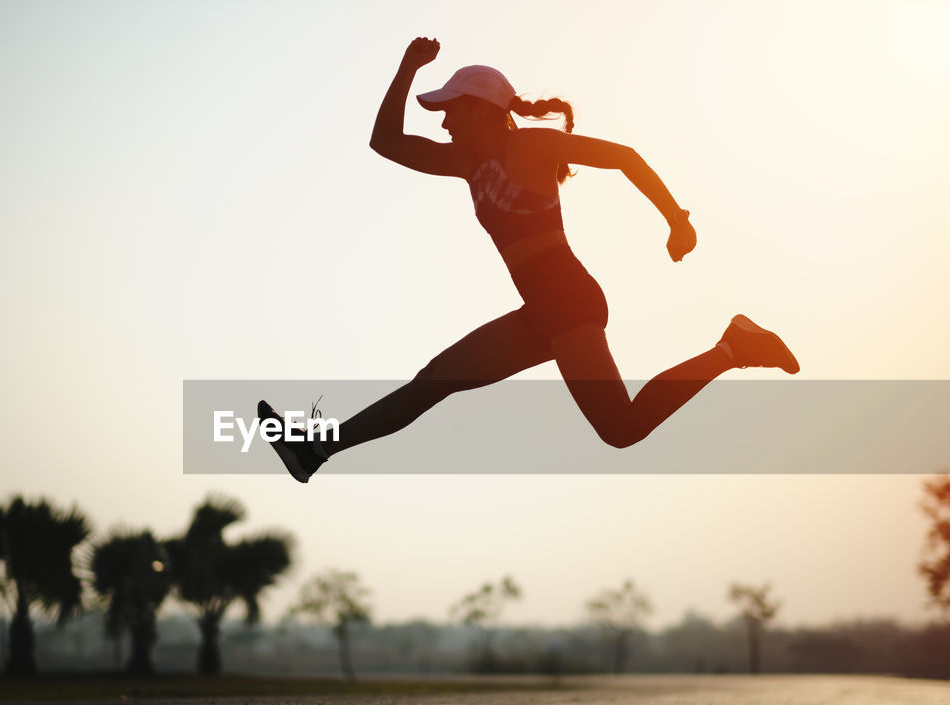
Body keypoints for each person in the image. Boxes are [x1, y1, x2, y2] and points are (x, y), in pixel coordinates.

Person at [260, 36, 798, 483]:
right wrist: (405, 68)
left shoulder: (534, 147)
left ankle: (733, 348)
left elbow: (625, 158)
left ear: (480, 110)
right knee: (434, 382)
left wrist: (676, 220)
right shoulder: (466, 165)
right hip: (541, 313)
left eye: (450, 110)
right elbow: (386, 141)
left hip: (568, 302)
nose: (444, 124)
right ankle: (313, 451)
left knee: (621, 428)